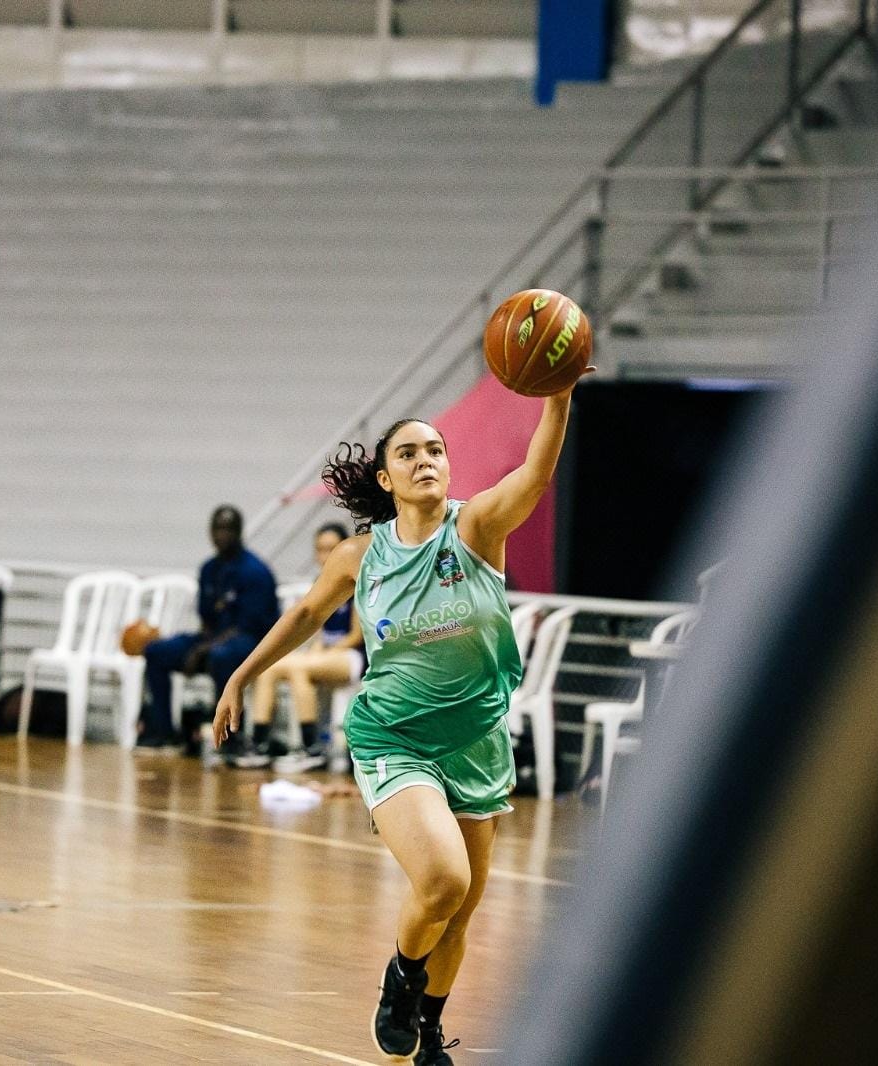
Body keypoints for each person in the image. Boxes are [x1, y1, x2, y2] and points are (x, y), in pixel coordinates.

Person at [213, 386, 581, 1065]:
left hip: (476, 741)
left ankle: (429, 1034)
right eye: (408, 453)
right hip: (393, 739)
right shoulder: (360, 557)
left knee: (461, 914)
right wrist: (244, 674)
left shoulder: (476, 528)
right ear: (385, 477)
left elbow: (535, 473)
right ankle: (401, 978)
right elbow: (301, 618)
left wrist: (556, 399)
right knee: (445, 882)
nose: (426, 461)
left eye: (435, 450)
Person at [138, 505, 278, 752]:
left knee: (221, 656)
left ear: (239, 532)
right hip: (212, 640)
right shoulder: (209, 569)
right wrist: (198, 645)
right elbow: (207, 619)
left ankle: (229, 737)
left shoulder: (255, 572)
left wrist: (204, 649)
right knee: (156, 651)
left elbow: (250, 626)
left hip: (249, 642)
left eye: (227, 529)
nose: (221, 535)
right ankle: (164, 732)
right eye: (217, 529)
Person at [229, 522, 365, 772]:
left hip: (353, 656)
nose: (324, 556)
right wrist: (316, 651)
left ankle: (312, 747)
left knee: (300, 668)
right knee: (271, 668)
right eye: (320, 549)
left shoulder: (358, 577)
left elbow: (357, 635)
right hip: (327, 654)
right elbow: (321, 629)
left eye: (330, 549)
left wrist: (323, 653)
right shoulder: (321, 581)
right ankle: (259, 744)